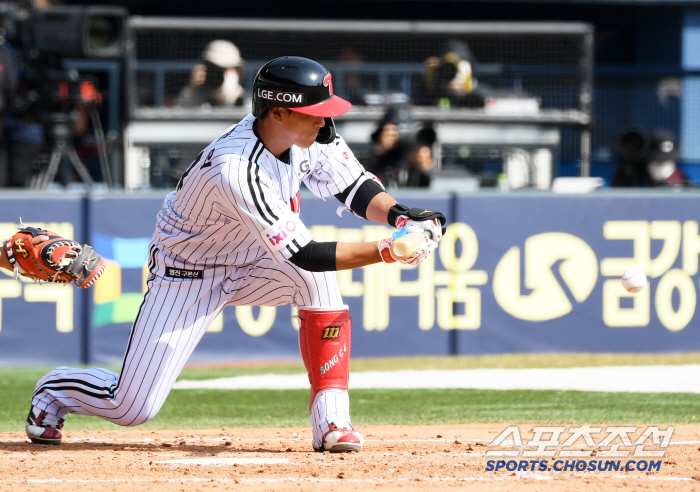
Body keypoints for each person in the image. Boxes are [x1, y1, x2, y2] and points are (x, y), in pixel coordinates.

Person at [9, 56, 446, 453]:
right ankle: (54, 391)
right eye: (314, 112)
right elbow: (306, 253)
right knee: (132, 406)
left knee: (320, 285)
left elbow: (355, 188)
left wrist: (404, 217)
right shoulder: (237, 167)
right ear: (278, 111)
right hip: (187, 273)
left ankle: (332, 420)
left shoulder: (314, 136)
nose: (324, 121)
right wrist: (389, 251)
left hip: (254, 260)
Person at [175, 40, 248, 108]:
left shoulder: (248, 104)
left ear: (237, 71)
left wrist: (228, 99)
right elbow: (179, 115)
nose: (216, 75)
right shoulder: (198, 102)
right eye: (213, 69)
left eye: (224, 69)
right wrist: (191, 89)